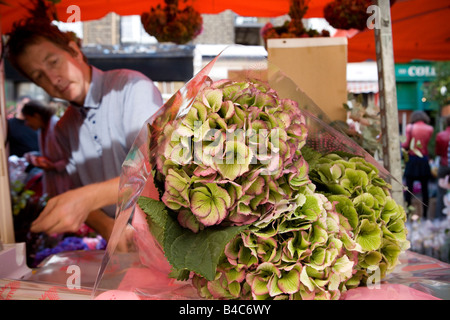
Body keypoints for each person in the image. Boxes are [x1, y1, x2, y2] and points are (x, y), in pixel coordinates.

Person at [5, 18, 163, 241]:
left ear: (74, 51)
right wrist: (108, 227)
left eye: (53, 62)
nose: (53, 79)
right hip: (121, 246)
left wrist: (87, 197)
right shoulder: (63, 127)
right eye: (39, 76)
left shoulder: (131, 87)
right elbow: (75, 191)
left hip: (164, 235)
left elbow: (157, 168)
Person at [21, 99, 71, 198]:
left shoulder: (58, 127)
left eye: (27, 119)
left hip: (67, 187)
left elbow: (74, 158)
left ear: (36, 115)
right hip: (54, 187)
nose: (26, 124)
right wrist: (35, 158)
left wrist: (54, 166)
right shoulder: (43, 129)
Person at [401, 110, 434, 219]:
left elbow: (406, 144)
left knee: (408, 188)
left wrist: (401, 144)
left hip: (412, 159)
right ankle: (425, 215)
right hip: (424, 159)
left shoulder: (410, 127)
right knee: (425, 189)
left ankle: (407, 214)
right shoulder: (430, 129)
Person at [434, 115, 450, 220]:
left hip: (444, 166)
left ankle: (439, 218)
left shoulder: (441, 135)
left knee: (441, 192)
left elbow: (438, 152)